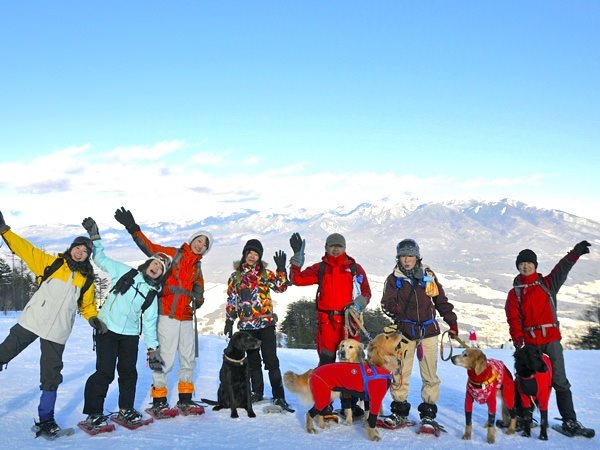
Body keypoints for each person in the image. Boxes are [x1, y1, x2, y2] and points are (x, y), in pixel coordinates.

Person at [0, 210, 100, 438]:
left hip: (57, 331)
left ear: (87, 256)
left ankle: (45, 420)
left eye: (85, 251)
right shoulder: (52, 263)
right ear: (71, 248)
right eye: (78, 248)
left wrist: (93, 318)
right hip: (32, 320)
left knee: (51, 376)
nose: (80, 252)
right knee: (3, 353)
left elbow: (87, 305)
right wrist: (5, 230)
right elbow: (26, 249)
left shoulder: (87, 280)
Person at [114, 206, 212, 417]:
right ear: (192, 240)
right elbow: (149, 248)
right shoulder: (174, 254)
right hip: (166, 313)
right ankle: (159, 401)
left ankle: (184, 400)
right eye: (199, 240)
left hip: (186, 317)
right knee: (164, 358)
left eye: (204, 245)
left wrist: (199, 297)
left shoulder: (197, 267)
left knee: (188, 358)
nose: (200, 245)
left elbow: (199, 286)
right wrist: (133, 228)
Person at [79, 217, 170, 430]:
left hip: (130, 335)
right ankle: (94, 413)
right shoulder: (126, 272)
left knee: (129, 372)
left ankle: (125, 409)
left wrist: (153, 348)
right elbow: (101, 259)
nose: (156, 267)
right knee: (105, 372)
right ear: (149, 263)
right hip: (106, 329)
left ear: (161, 275)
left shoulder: (152, 295)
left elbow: (149, 323)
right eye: (155, 262)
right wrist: (95, 237)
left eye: (161, 267)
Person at [505, 241, 595, 438]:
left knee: (559, 380)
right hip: (529, 344)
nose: (525, 266)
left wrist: (575, 253)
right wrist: (518, 339)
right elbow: (513, 318)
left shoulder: (547, 284)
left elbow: (562, 268)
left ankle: (570, 421)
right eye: (521, 264)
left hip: (551, 341)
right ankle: (523, 417)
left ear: (535, 266)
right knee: (526, 381)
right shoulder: (515, 293)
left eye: (529, 263)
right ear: (518, 267)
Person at [289, 232, 371, 417]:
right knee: (326, 364)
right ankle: (324, 404)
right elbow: (297, 279)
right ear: (326, 247)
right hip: (327, 323)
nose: (335, 249)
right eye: (332, 245)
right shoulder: (321, 268)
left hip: (349, 322)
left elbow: (366, 291)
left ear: (344, 248)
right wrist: (296, 260)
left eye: (339, 246)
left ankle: (349, 405)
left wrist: (359, 303)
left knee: (351, 366)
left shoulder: (355, 268)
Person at [380, 238, 459, 432]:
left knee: (430, 375)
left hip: (428, 332)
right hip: (405, 334)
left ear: (417, 256)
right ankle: (399, 412)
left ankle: (428, 416)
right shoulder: (393, 279)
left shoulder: (428, 275)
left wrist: (452, 321)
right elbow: (386, 304)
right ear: (398, 257)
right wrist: (398, 313)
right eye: (403, 256)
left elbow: (440, 300)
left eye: (410, 255)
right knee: (399, 374)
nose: (407, 260)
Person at [224, 239, 294, 412]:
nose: (252, 256)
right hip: (247, 327)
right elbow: (232, 298)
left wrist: (281, 269)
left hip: (266, 323)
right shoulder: (236, 277)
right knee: (253, 362)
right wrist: (229, 319)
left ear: (259, 257)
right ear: (245, 254)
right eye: (250, 253)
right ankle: (257, 393)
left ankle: (279, 396)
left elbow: (281, 287)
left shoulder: (265, 274)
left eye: (256, 254)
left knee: (271, 361)